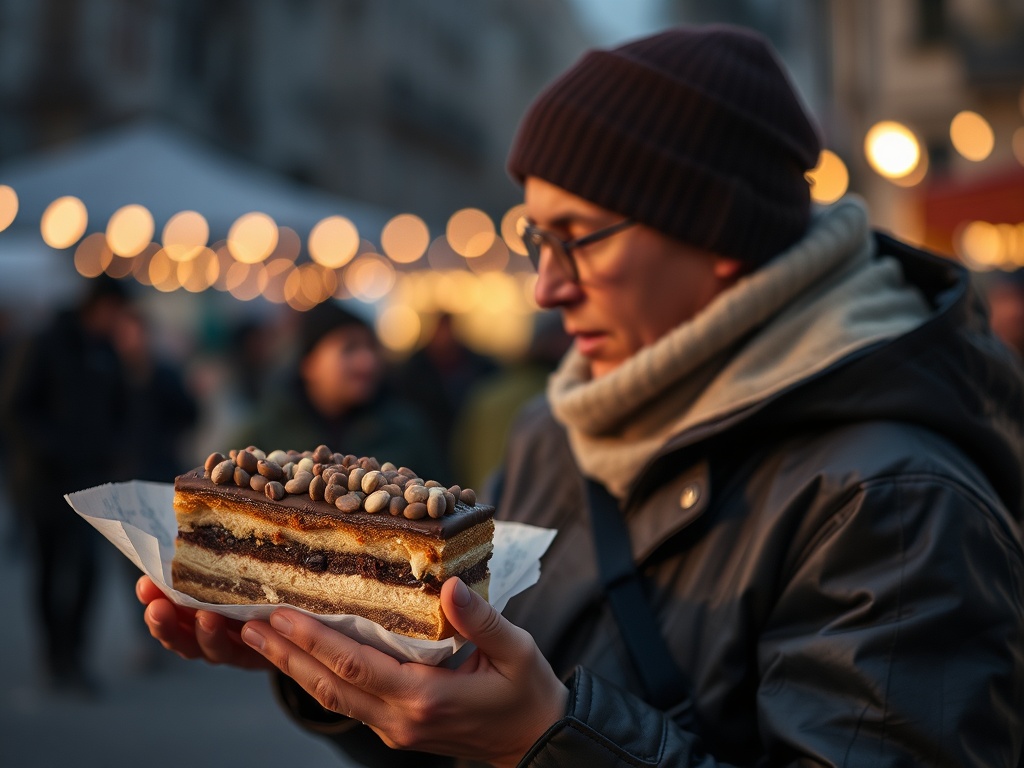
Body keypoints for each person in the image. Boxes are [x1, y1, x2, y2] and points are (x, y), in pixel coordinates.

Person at [136, 25, 1024, 766]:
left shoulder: (899, 501)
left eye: (580, 239)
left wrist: (548, 740)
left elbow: (525, 728)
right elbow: (465, 715)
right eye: (536, 239)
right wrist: (340, 668)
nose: (545, 290)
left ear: (717, 229)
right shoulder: (554, 428)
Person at [2, 275, 132, 695]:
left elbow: (120, 408)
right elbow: (16, 407)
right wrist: (53, 450)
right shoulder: (45, 343)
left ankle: (74, 654)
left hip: (90, 484)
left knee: (89, 569)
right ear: (99, 306)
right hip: (42, 483)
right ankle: (53, 653)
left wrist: (112, 450)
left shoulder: (106, 350)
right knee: (48, 568)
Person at [230, 299, 447, 482]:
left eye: (371, 347)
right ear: (309, 363)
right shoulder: (263, 432)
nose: (367, 362)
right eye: (349, 348)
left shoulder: (408, 429)